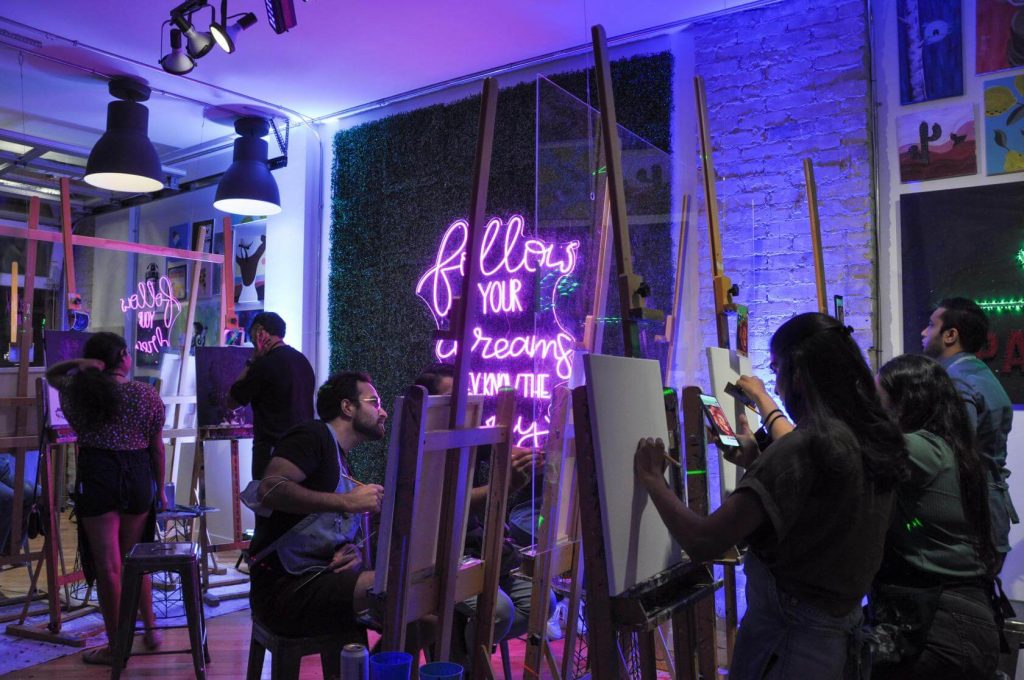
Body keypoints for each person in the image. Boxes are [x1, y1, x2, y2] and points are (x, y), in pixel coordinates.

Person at [634, 313, 909, 679]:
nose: (776, 388)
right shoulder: (869, 441)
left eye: (778, 371)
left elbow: (703, 541)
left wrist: (653, 479)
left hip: (788, 645)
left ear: (798, 375)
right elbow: (821, 503)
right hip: (837, 643)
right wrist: (756, 459)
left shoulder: (804, 447)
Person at [870, 354, 999, 679]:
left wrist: (766, 406)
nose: (876, 411)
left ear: (903, 401)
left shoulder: (920, 448)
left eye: (879, 399)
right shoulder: (953, 449)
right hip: (965, 617)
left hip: (938, 624)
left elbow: (838, 451)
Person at [414, 363, 547, 665]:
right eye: (454, 401)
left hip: (476, 551)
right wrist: (504, 485)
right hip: (437, 557)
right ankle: (466, 662)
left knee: (543, 602)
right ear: (432, 407)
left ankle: (465, 648)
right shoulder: (421, 450)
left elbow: (506, 447)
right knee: (499, 612)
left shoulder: (465, 436)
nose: (465, 408)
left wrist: (537, 455)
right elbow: (446, 504)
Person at [45, 332, 165, 665]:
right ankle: (151, 630)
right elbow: (156, 448)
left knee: (109, 567)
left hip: (98, 473)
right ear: (124, 357)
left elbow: (52, 374)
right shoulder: (145, 395)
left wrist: (81, 365)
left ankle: (117, 648)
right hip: (139, 474)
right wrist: (161, 488)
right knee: (135, 559)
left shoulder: (80, 393)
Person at [248, 371, 385, 641]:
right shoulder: (313, 435)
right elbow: (269, 489)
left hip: (315, 581)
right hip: (283, 590)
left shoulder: (340, 459)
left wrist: (350, 551)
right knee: (394, 587)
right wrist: (347, 502)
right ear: (347, 407)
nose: (383, 412)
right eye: (374, 402)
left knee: (422, 616)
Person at [922, 297, 1017, 570]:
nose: (923, 332)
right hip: (989, 512)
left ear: (951, 335)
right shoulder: (982, 374)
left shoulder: (956, 382)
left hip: (969, 519)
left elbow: (953, 454)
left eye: (931, 325)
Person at [228, 311, 316, 480]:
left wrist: (252, 360)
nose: (252, 341)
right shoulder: (303, 361)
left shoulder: (263, 365)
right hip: (304, 451)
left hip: (272, 452)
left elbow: (232, 400)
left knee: (268, 502)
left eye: (252, 335)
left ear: (260, 331)